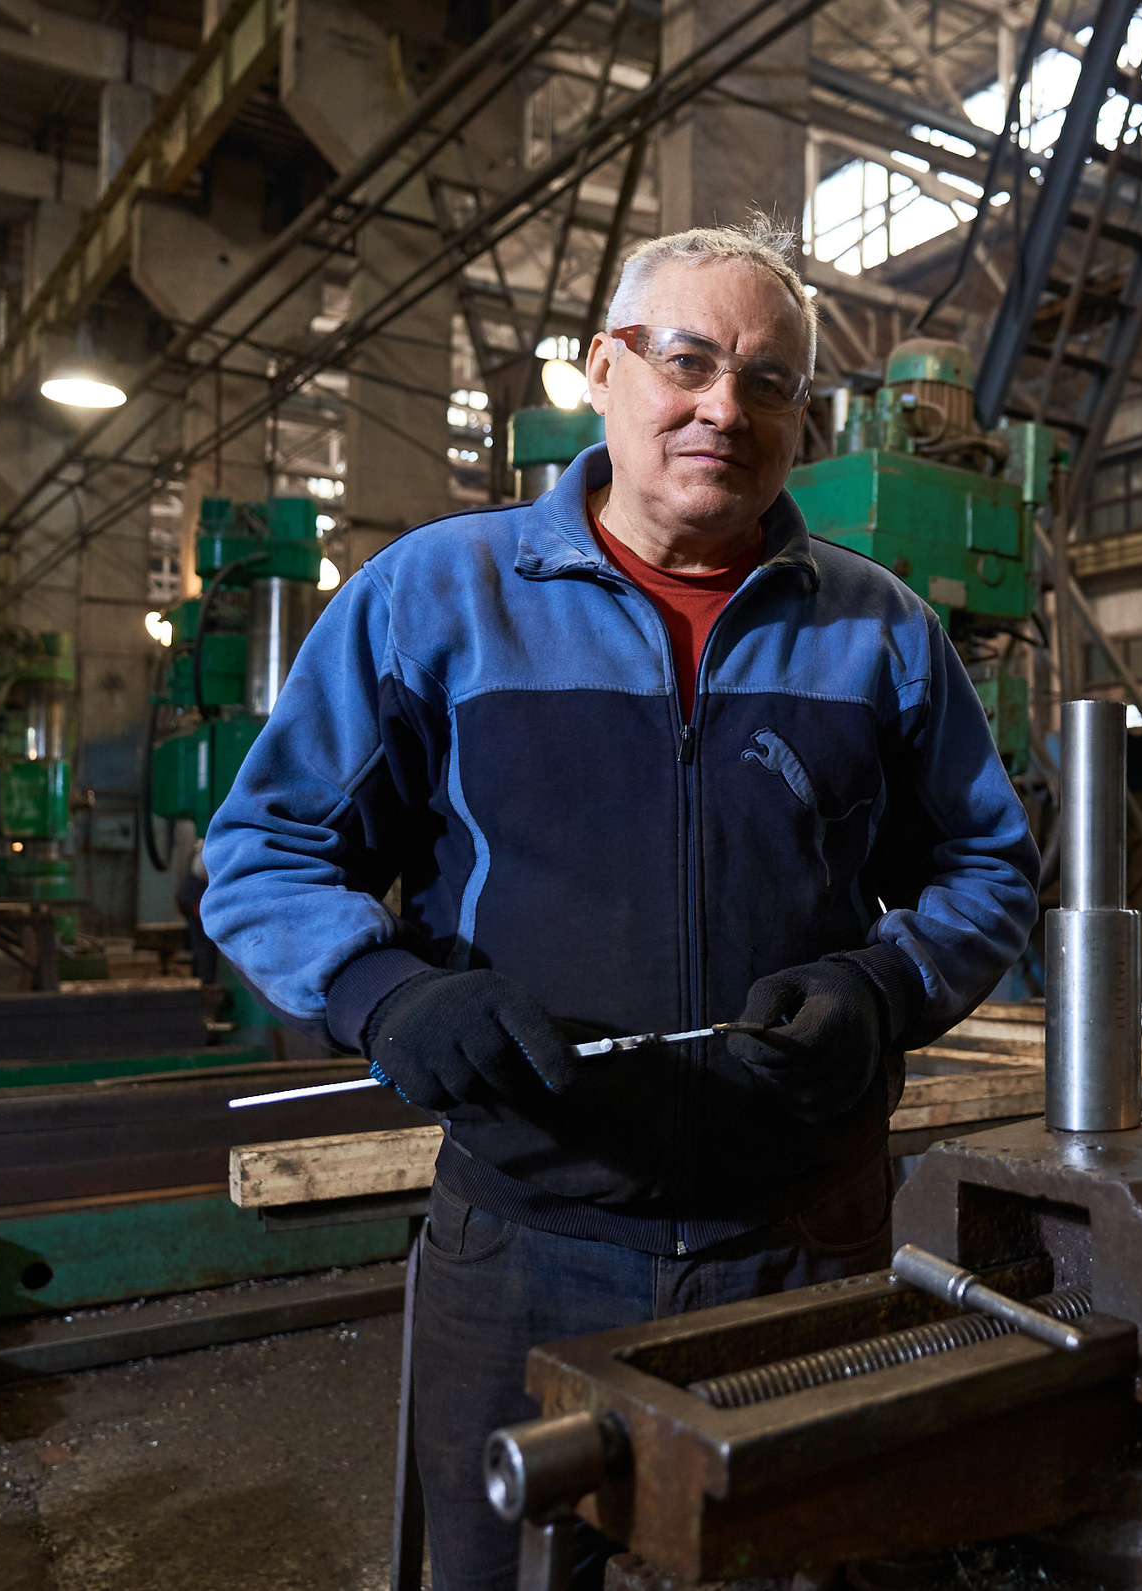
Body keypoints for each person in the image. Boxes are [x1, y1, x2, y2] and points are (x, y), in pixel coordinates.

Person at [200, 219, 1040, 1589]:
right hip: (528, 1241)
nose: (725, 409)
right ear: (604, 367)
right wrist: (385, 994)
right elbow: (265, 847)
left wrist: (884, 987)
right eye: (687, 361)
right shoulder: (438, 597)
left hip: (803, 1245)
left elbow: (988, 865)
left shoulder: (880, 629)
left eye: (768, 383)